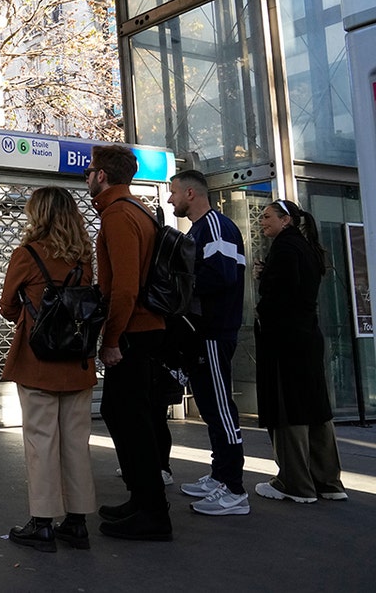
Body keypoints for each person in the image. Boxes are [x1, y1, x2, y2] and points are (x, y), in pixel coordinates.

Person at [0, 186, 98, 552]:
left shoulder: (26, 254)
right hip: (76, 362)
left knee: (41, 441)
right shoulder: (83, 258)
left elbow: (8, 306)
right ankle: (77, 522)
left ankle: (42, 524)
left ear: (37, 215)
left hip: (38, 362)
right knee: (76, 442)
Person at [84, 145, 171, 541]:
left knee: (128, 417)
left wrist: (111, 340)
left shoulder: (119, 215)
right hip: (144, 329)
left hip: (134, 331)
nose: (87, 177)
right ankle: (142, 500)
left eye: (90, 171)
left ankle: (152, 511)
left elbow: (123, 289)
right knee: (127, 415)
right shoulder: (136, 210)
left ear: (102, 175)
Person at [166, 170, 249, 515]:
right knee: (212, 407)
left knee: (220, 409)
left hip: (215, 331)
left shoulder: (215, 226)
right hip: (204, 333)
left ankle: (234, 489)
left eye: (173, 193)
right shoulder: (201, 229)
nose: (170, 200)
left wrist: (178, 286)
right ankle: (220, 476)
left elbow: (222, 274)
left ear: (190, 193)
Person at [253, 199, 348, 503]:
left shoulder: (284, 249)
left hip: (285, 340)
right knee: (316, 406)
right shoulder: (307, 248)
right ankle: (329, 482)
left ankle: (295, 484)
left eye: (267, 217)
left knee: (288, 407)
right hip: (308, 336)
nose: (261, 222)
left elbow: (281, 294)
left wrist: (263, 279)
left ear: (286, 220)